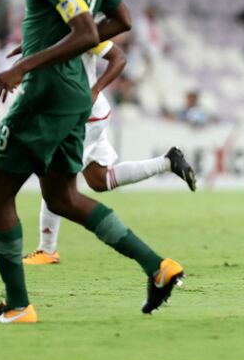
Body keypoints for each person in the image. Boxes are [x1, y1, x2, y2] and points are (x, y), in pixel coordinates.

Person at [0, 0, 184, 324]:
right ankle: (159, 267)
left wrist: (25, 65)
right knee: (64, 196)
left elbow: (84, 32)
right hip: (73, 99)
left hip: (45, 94)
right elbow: (121, 21)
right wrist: (40, 42)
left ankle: (18, 305)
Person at [24, 42, 196, 266]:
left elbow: (118, 57)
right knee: (99, 179)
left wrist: (95, 89)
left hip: (82, 114)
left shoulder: (81, 27)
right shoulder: (58, 30)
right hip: (88, 111)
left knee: (55, 179)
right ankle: (167, 162)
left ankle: (47, 250)